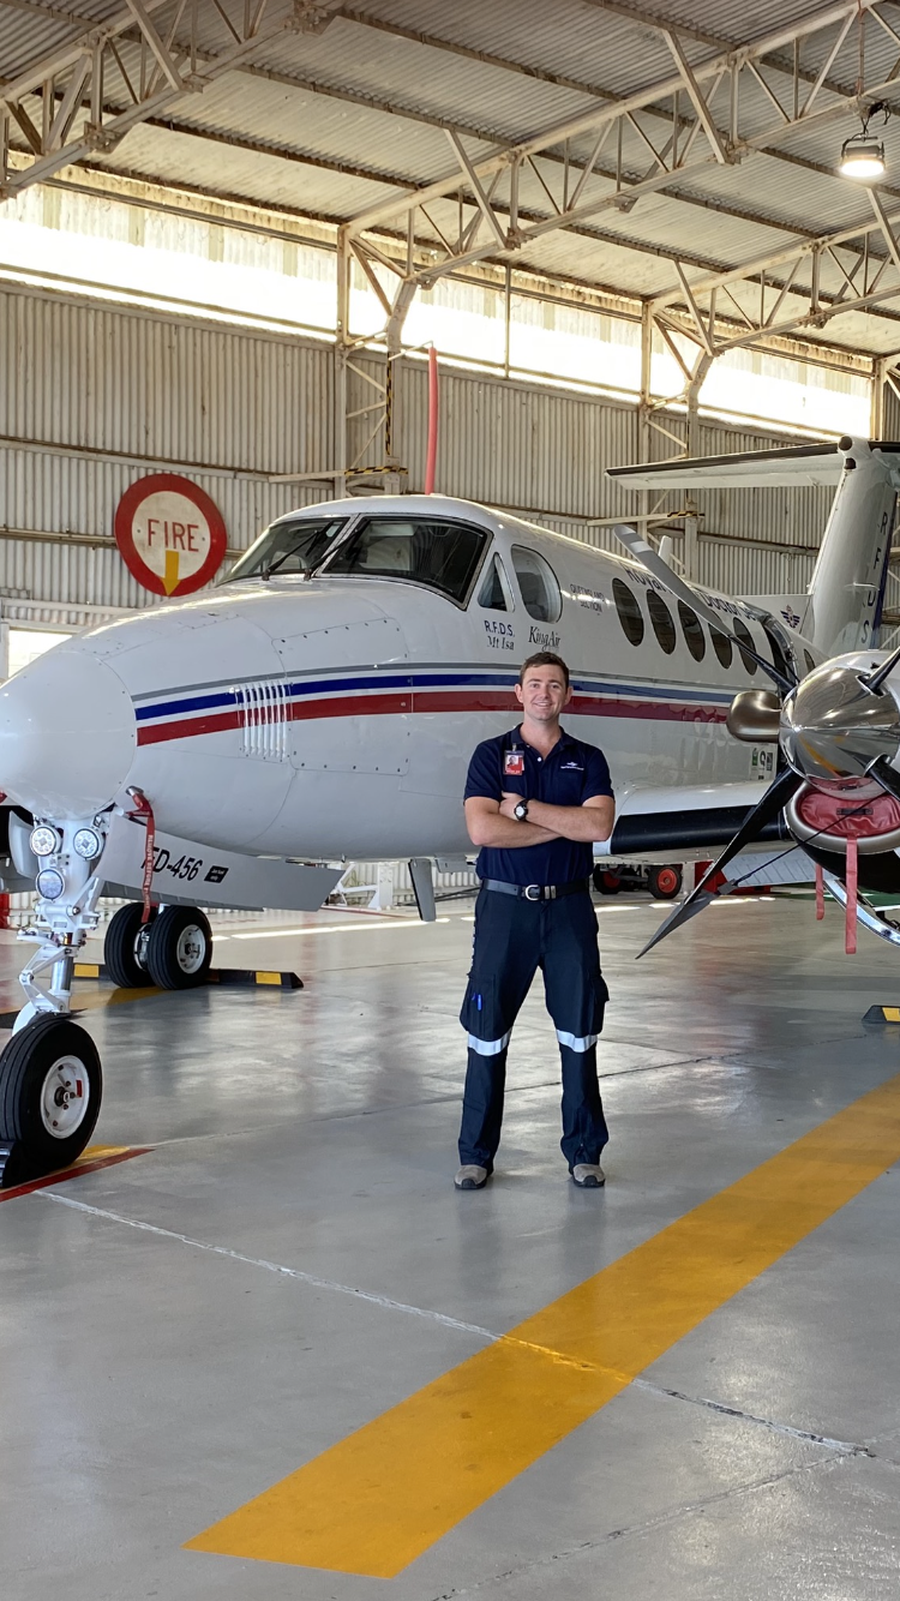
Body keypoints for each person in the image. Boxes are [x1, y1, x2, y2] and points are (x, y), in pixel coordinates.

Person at [456, 651, 615, 1191]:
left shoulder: (588, 757)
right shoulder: (490, 754)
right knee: (486, 1033)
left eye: (554, 685)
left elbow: (599, 827)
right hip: (504, 909)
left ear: (567, 695)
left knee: (579, 1030)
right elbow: (482, 832)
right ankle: (475, 1153)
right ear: (518, 693)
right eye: (534, 684)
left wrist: (521, 810)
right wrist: (565, 824)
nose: (544, 692)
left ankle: (584, 1151)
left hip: (569, 909)